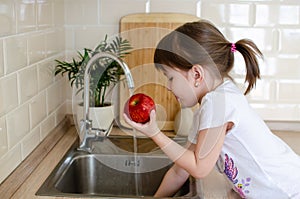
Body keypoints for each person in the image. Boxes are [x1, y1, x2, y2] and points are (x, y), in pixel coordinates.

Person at [123, 20, 300, 199]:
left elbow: (199, 168)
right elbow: (180, 171)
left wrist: (155, 133)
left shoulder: (218, 103)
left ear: (196, 74)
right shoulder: (211, 105)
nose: (168, 87)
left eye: (170, 78)